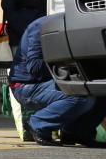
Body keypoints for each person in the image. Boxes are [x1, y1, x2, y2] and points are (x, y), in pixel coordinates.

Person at [8, 17, 106, 147]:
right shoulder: (41, 27)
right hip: (26, 86)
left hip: (52, 82)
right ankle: (38, 123)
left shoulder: (85, 26)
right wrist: (70, 64)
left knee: (102, 91)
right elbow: (34, 67)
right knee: (82, 98)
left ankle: (77, 132)